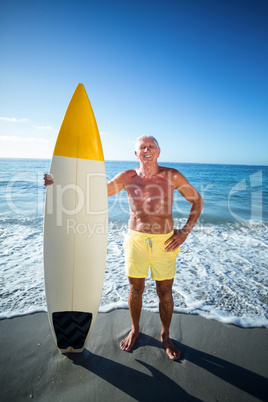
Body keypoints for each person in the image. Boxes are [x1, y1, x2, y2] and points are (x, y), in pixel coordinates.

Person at [44, 135, 204, 360]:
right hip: (136, 240)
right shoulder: (128, 177)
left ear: (159, 152)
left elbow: (197, 201)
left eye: (151, 147)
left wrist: (185, 232)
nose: (147, 150)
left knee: (165, 293)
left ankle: (166, 336)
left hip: (164, 243)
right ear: (136, 153)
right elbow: (94, 191)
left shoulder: (172, 176)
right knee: (135, 289)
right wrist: (57, 181)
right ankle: (135, 330)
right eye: (142, 147)